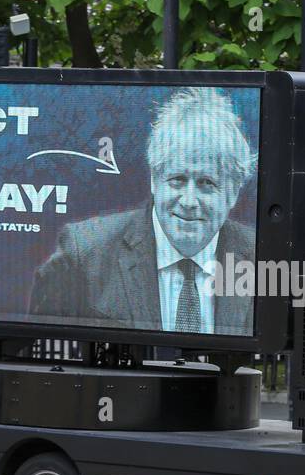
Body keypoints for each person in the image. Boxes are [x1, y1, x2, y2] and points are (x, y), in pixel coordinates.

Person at [28, 87, 257, 335]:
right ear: (154, 180)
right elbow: (38, 349)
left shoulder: (263, 257)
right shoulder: (84, 253)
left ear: (233, 192)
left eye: (206, 183)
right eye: (177, 179)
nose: (189, 201)